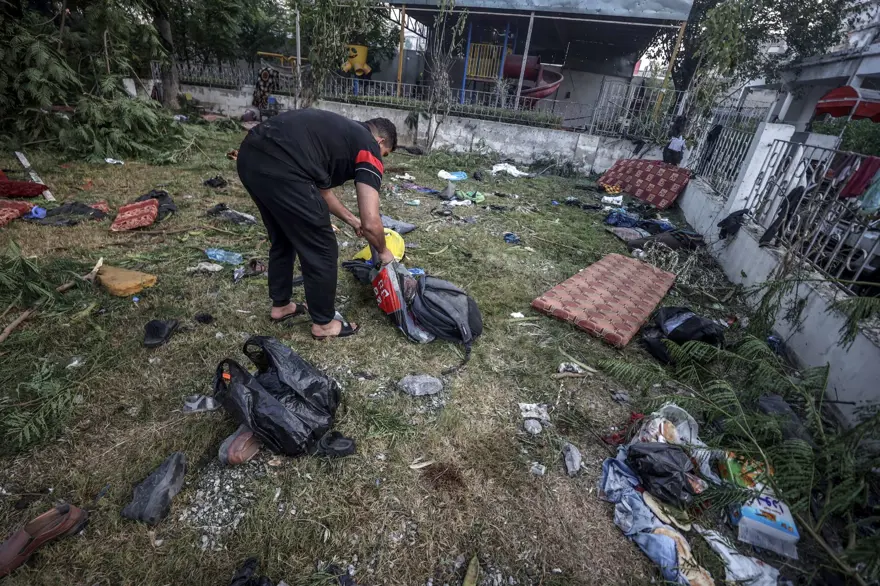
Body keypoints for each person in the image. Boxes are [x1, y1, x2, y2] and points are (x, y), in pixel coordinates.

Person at [236, 109, 397, 340]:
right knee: (322, 246)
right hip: (284, 165)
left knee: (283, 235)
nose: (380, 158)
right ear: (380, 141)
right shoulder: (368, 146)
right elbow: (372, 222)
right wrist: (383, 252)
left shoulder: (338, 133)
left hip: (250, 155)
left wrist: (352, 221)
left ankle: (281, 306)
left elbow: (322, 192)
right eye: (385, 153)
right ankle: (323, 324)